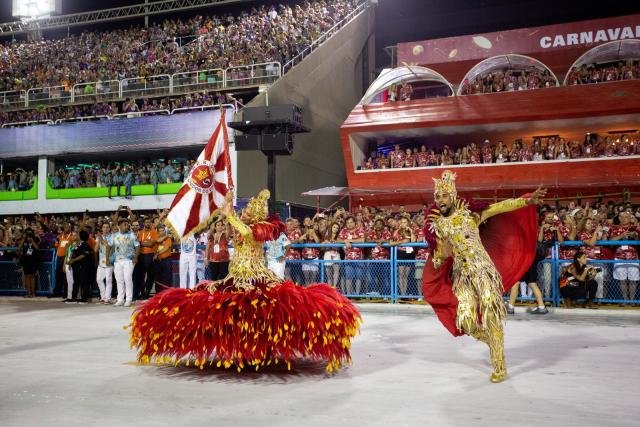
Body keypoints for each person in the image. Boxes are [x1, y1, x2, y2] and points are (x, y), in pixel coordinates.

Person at [130, 189, 361, 373]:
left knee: (261, 311)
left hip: (255, 275)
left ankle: (258, 349)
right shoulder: (245, 226)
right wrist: (227, 208)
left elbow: (243, 230)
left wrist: (229, 208)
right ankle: (238, 348)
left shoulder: (259, 229)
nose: (247, 211)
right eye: (246, 209)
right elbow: (234, 228)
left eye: (250, 209)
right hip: (236, 275)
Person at [422, 170, 544, 383]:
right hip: (462, 277)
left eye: (444, 196)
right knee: (466, 321)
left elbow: (499, 207)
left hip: (483, 271)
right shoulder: (438, 226)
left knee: (490, 311)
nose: (440, 200)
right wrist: (441, 256)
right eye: (437, 197)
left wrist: (527, 201)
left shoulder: (471, 214)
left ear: (452, 196)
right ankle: (491, 339)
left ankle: (499, 365)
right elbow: (438, 257)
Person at [111, 219, 139, 307]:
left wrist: (135, 257)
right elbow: (111, 247)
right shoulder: (114, 235)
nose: (126, 226)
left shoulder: (132, 235)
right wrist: (111, 258)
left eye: (127, 225)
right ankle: (120, 299)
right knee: (119, 280)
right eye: (124, 224)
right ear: (119, 226)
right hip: (117, 261)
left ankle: (129, 299)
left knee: (127, 279)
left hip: (128, 260)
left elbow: (137, 246)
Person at [67, 230, 95, 304]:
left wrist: (73, 260)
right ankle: (74, 298)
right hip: (77, 267)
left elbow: (84, 255)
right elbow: (74, 253)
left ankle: (84, 299)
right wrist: (71, 262)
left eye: (78, 235)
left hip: (83, 266)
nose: (77, 236)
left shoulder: (85, 244)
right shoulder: (78, 245)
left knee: (84, 282)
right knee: (76, 282)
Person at [95, 223, 114, 304]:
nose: (105, 229)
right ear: (102, 229)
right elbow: (95, 250)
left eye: (107, 227)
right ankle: (103, 297)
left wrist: (101, 239)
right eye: (104, 227)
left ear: (109, 229)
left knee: (108, 280)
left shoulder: (112, 237)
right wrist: (99, 240)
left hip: (109, 261)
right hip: (101, 262)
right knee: (99, 279)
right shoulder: (99, 237)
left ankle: (107, 298)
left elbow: (108, 246)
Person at [18, 227, 40, 298]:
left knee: (32, 277)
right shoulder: (24, 240)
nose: (29, 234)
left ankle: (33, 293)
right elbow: (19, 247)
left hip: (33, 261)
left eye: (30, 233)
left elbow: (37, 248)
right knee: (27, 277)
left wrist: (32, 240)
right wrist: (24, 238)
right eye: (27, 233)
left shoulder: (35, 239)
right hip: (26, 261)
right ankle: (28, 293)